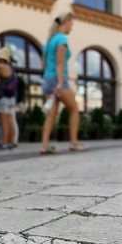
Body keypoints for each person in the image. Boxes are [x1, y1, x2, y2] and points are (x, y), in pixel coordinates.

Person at [40, 12, 86, 153]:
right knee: (74, 109)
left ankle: (45, 145)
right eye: (71, 24)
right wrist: (60, 83)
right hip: (57, 79)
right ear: (65, 23)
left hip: (47, 78)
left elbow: (45, 64)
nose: (71, 27)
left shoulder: (48, 42)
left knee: (52, 114)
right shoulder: (61, 39)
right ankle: (73, 143)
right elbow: (60, 63)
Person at [0, 47, 18, 149]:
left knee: (3, 121)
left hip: (3, 97)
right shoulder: (11, 68)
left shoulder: (1, 67)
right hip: (11, 98)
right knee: (9, 120)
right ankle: (11, 141)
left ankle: (4, 142)